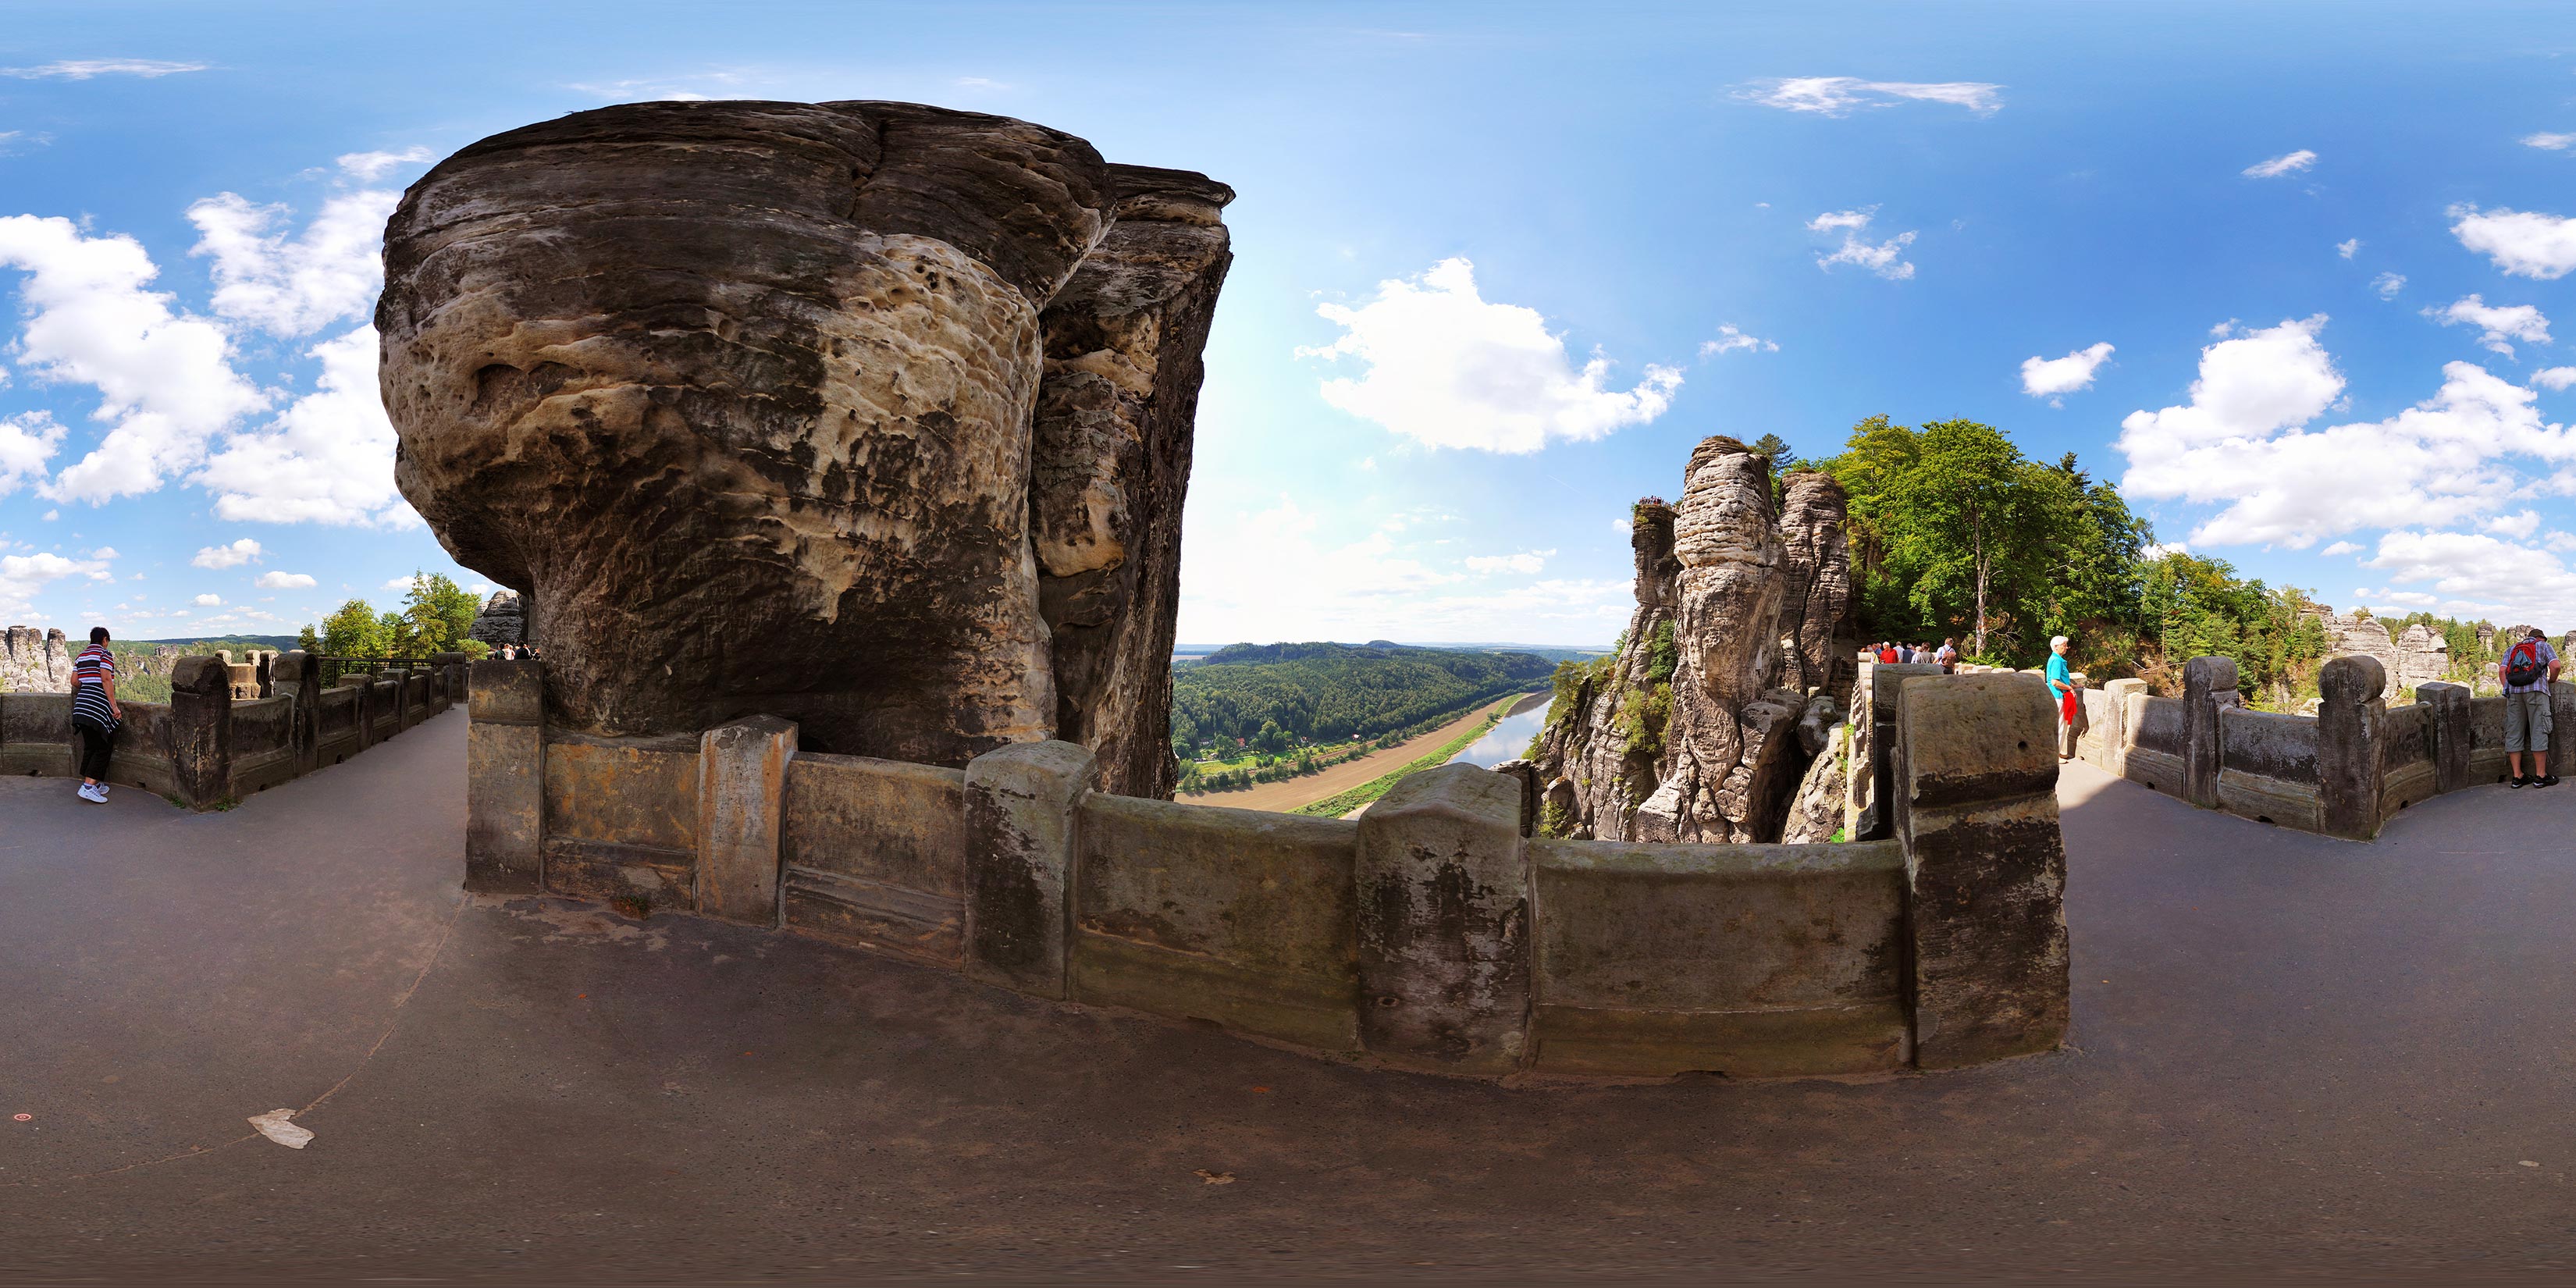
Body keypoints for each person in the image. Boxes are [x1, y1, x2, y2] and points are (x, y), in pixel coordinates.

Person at [2499, 626, 2559, 788]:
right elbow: (2556, 666)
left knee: (2514, 732)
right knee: (2539, 730)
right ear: (2541, 638)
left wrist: (2508, 689)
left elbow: (2503, 671)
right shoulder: (2544, 646)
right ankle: (2540, 777)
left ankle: (2517, 777)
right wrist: (2551, 681)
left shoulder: (2512, 649)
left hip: (2514, 694)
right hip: (2536, 693)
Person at [70, 625, 121, 803]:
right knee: (103, 746)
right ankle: (88, 787)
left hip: (81, 707)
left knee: (91, 745)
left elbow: (74, 681)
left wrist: (87, 688)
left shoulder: (81, 656)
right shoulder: (104, 654)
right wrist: (114, 707)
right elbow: (106, 678)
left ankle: (93, 782)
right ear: (105, 639)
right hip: (96, 708)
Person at [2045, 634, 2080, 761]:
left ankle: (2057, 752)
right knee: (2060, 725)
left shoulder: (2055, 658)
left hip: (2055, 695)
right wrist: (2070, 688)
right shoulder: (2057, 660)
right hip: (2058, 696)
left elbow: (2061, 678)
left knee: (2059, 725)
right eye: (2064, 646)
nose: (2066, 648)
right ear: (2056, 647)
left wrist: (2073, 685)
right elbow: (2055, 681)